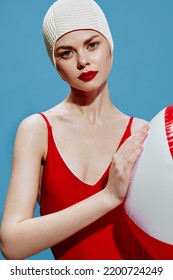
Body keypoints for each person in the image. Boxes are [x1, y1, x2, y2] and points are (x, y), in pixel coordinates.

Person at [0, 0, 149, 260]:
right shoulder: (37, 131)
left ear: (110, 46)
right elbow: (12, 245)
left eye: (92, 45)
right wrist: (107, 197)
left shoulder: (143, 134)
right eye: (66, 53)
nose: (83, 61)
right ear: (57, 66)